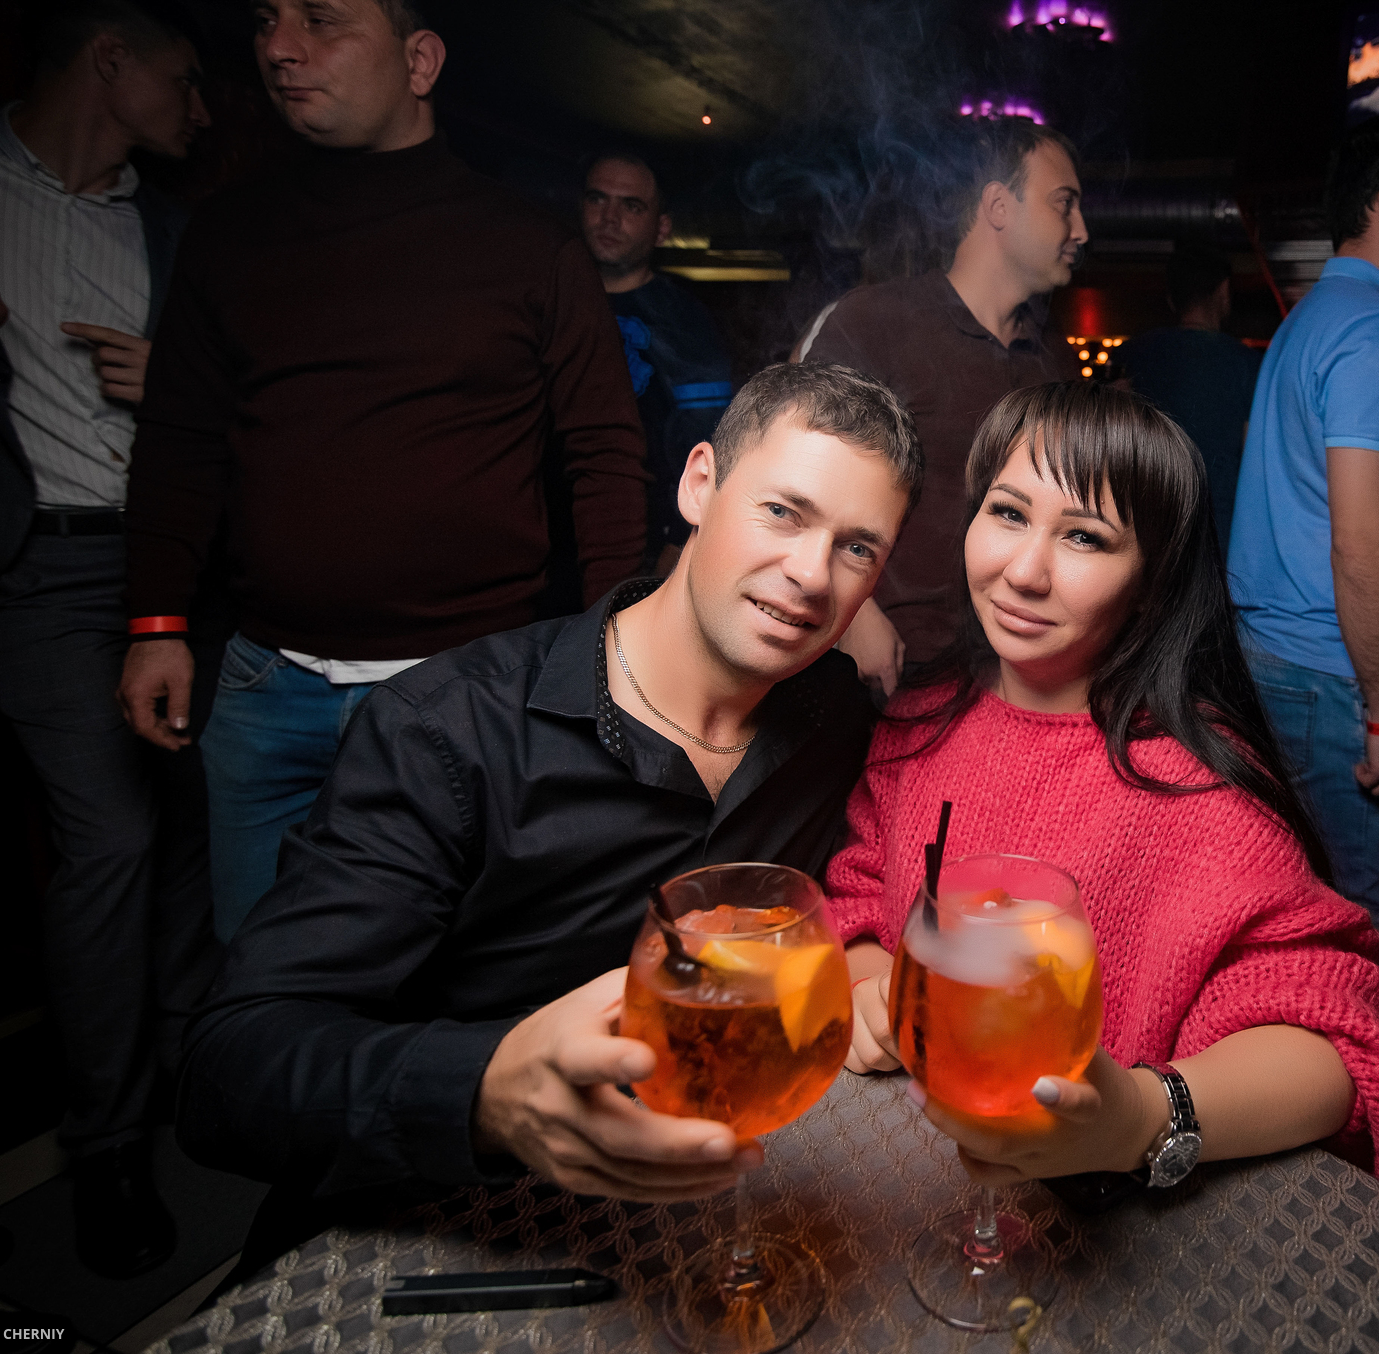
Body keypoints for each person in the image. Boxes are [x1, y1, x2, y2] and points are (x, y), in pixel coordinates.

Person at [176, 362, 920, 1279]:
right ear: (699, 484)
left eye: (857, 548)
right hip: (441, 1228)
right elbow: (229, 1069)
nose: (810, 573)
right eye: (782, 512)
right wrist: (487, 1089)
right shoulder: (450, 732)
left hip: (699, 1213)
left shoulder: (834, 718)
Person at [117, 0, 650, 942]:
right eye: (269, 21)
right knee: (261, 981)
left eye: (322, 20)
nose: (280, 48)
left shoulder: (528, 246)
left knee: (440, 979)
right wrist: (156, 621)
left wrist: (618, 658)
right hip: (264, 688)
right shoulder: (230, 234)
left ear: (419, 60)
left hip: (464, 691)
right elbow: (179, 438)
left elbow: (603, 452)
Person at [835, 381, 1379, 1191]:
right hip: (913, 1183)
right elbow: (862, 896)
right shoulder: (920, 721)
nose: (1024, 571)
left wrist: (1143, 1116)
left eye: (1084, 537)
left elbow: (1335, 1052)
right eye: (1008, 513)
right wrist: (875, 991)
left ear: (1151, 582)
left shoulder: (1196, 788)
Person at [0, 0, 214, 1280]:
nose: (202, 109)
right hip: (43, 571)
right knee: (112, 840)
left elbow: (230, 400)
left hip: (173, 564)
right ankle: (107, 1147)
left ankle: (184, 1072)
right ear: (110, 61)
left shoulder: (170, 227)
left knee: (184, 832)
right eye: (184, 78)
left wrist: (174, 375)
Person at [1227, 114, 1379, 953]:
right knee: (1353, 932)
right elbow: (1360, 539)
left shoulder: (1314, 315)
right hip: (1331, 676)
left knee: (1283, 908)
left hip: (1275, 657)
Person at [803, 114, 1084, 694]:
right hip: (888, 669)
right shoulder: (876, 321)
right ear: (999, 207)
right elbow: (802, 477)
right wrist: (849, 614)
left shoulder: (1052, 357)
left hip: (1006, 670)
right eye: (1064, 204)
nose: (1080, 229)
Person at [578, 148, 734, 578]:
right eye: (597, 199)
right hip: (548, 536)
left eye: (631, 206)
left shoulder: (684, 322)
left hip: (640, 543)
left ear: (661, 228)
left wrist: (680, 538)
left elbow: (713, 437)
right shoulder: (549, 302)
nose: (609, 218)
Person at [1118, 240, 1260, 555]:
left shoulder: (1134, 355)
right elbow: (1254, 461)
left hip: (1144, 527)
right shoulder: (1245, 364)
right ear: (1224, 291)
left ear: (1172, 299)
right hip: (1218, 533)